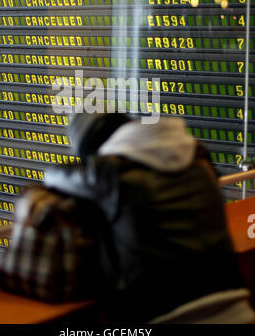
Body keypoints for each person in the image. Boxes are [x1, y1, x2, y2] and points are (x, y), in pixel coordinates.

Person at [44, 112, 255, 323]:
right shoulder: (198, 158)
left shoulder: (110, 172)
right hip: (238, 305)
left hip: (171, 316)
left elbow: (54, 175)